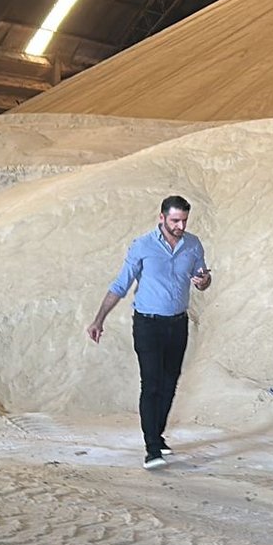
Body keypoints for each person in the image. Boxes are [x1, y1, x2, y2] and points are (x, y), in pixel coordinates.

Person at [87, 194, 212, 468]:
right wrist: (99, 320)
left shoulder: (193, 245)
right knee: (151, 383)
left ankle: (158, 435)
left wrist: (203, 280)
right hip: (148, 324)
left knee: (170, 383)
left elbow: (203, 279)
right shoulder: (142, 246)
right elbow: (121, 285)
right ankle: (152, 448)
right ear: (162, 218)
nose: (180, 226)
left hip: (178, 324)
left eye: (184, 220)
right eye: (175, 220)